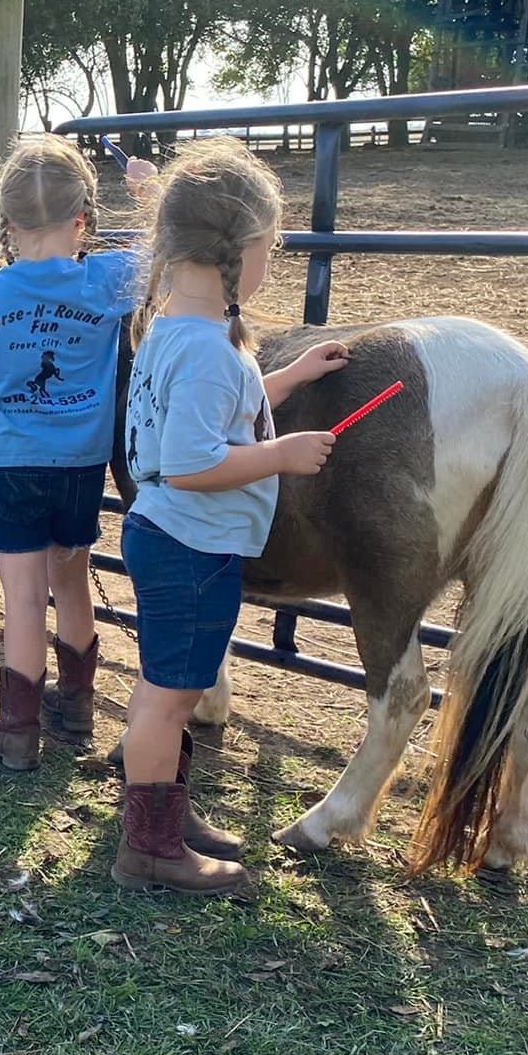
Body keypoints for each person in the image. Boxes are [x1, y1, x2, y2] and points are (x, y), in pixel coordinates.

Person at [117, 139, 348, 897]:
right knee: (169, 693)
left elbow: (221, 413)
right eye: (268, 250)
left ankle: (166, 816)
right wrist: (283, 457)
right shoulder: (210, 350)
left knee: (169, 688)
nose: (269, 266)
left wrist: (284, 379)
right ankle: (148, 845)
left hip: (174, 535)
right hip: (189, 541)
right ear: (233, 253)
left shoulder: (175, 331)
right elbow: (193, 461)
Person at [0, 135, 156, 770]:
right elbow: (170, 253)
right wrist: (150, 192)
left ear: (8, 226)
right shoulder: (106, 279)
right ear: (82, 220)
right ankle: (76, 702)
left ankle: (17, 729)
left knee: (21, 595)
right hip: (80, 462)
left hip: (13, 460)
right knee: (70, 578)